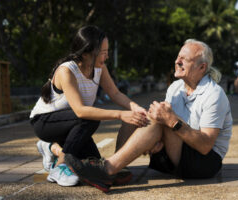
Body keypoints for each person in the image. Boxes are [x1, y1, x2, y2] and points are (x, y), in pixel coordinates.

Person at [64, 39, 233, 192]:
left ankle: (107, 169)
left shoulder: (214, 94)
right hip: (177, 154)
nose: (177, 61)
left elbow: (205, 145)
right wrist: (157, 139)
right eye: (177, 57)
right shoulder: (175, 88)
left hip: (204, 162)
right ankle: (117, 171)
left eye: (184, 59)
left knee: (157, 122)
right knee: (137, 115)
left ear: (202, 67)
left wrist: (172, 121)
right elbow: (165, 125)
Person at [30, 25, 149, 187]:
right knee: (89, 119)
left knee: (94, 164)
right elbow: (80, 111)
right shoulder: (67, 71)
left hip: (72, 125)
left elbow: (115, 94)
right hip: (44, 122)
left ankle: (52, 148)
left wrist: (135, 107)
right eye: (103, 52)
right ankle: (59, 167)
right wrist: (121, 115)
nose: (106, 57)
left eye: (108, 52)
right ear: (86, 52)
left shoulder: (100, 68)